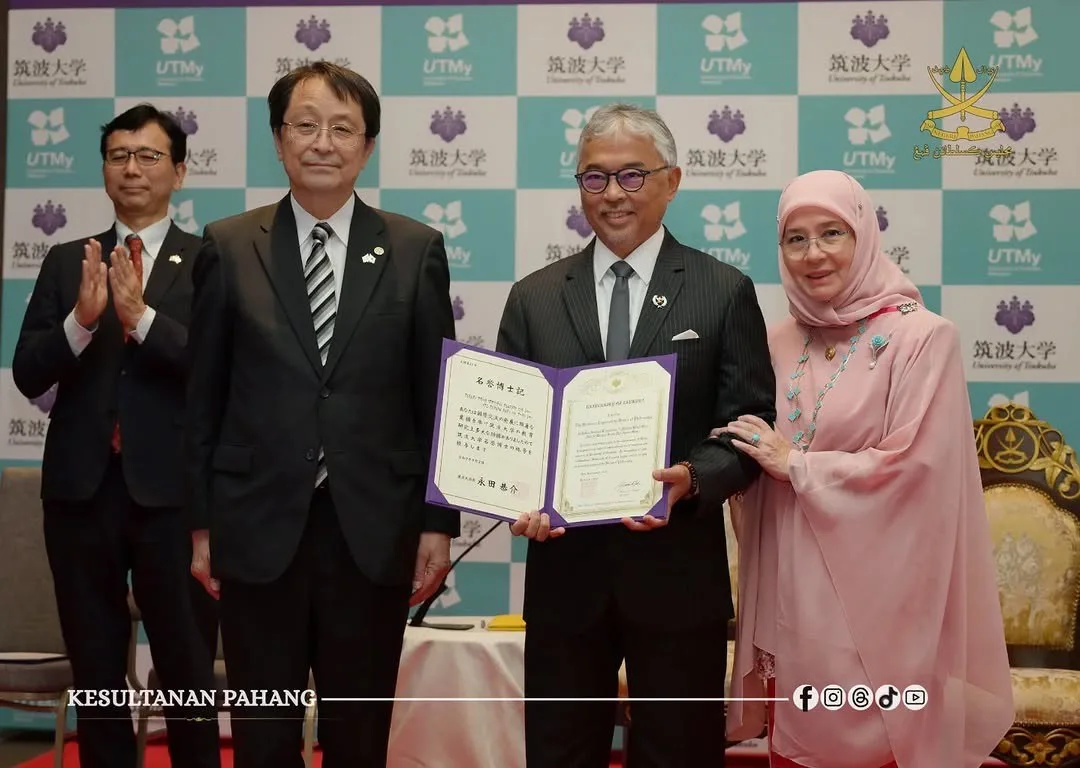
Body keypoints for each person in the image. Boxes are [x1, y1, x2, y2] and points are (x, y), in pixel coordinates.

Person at [185, 61, 459, 768]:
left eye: (342, 128)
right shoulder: (228, 244)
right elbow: (203, 396)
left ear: (367, 147)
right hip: (256, 523)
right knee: (263, 736)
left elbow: (435, 396)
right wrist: (202, 523)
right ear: (279, 140)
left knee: (359, 735)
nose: (322, 143)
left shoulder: (414, 249)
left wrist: (437, 521)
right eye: (305, 125)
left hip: (371, 527)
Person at [497, 103, 776, 767]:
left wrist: (693, 479)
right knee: (559, 755)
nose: (612, 194)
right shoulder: (534, 297)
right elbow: (514, 432)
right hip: (566, 580)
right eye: (594, 178)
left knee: (679, 754)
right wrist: (516, 494)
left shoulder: (722, 290)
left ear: (671, 181)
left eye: (631, 175)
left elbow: (749, 426)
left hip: (677, 576)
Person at [718, 170, 1015, 767]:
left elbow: (918, 470)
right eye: (795, 239)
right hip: (791, 594)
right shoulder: (775, 341)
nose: (813, 254)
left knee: (882, 745)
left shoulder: (922, 338)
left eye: (832, 233)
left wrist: (796, 465)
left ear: (865, 235)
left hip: (881, 596)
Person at [12, 104, 220, 768]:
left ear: (179, 172)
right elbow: (27, 371)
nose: (132, 168)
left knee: (187, 672)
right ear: (104, 169)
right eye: (118, 156)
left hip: (175, 499)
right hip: (81, 494)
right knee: (97, 672)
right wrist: (81, 321)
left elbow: (219, 371)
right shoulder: (67, 260)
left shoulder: (211, 260)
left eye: (149, 156)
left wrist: (140, 318)